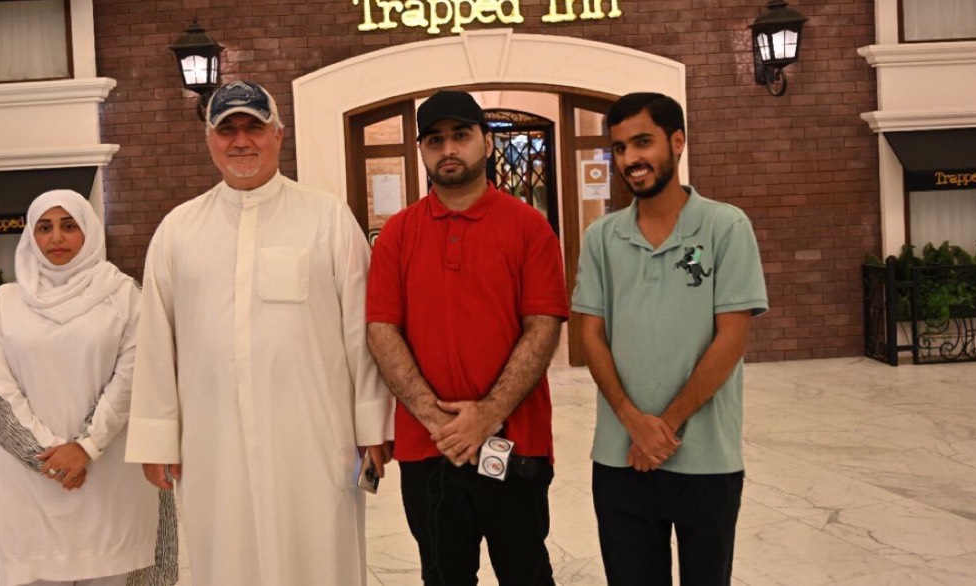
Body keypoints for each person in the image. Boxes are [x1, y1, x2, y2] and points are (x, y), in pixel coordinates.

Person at [125, 81, 393, 585]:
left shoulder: (327, 217)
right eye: (227, 129)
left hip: (314, 437)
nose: (241, 140)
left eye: (254, 126)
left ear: (279, 135)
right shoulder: (179, 230)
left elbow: (363, 329)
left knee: (319, 555)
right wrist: (157, 438)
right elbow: (157, 341)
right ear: (209, 139)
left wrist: (372, 425)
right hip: (213, 441)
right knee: (228, 557)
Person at [366, 90, 568, 585]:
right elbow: (381, 330)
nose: (448, 149)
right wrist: (439, 421)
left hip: (514, 443)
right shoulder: (397, 235)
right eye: (435, 140)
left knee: (526, 573)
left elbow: (543, 327)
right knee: (443, 576)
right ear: (422, 151)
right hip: (428, 448)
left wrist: (486, 415)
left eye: (461, 135)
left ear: (487, 143)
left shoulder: (529, 228)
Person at [572, 92, 768, 585]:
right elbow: (590, 334)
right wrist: (631, 422)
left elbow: (731, 338)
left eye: (643, 142)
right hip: (619, 458)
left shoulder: (725, 227)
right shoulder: (601, 238)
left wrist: (664, 428)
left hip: (707, 459)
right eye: (620, 148)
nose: (630, 159)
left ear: (677, 142)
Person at [0, 190, 176, 586]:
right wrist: (48, 458)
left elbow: (135, 377)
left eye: (69, 226)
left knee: (118, 570)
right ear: (31, 236)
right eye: (44, 227)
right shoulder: (5, 303)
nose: (56, 237)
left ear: (89, 231)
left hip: (111, 475)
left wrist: (87, 446)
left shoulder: (124, 295)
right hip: (24, 482)